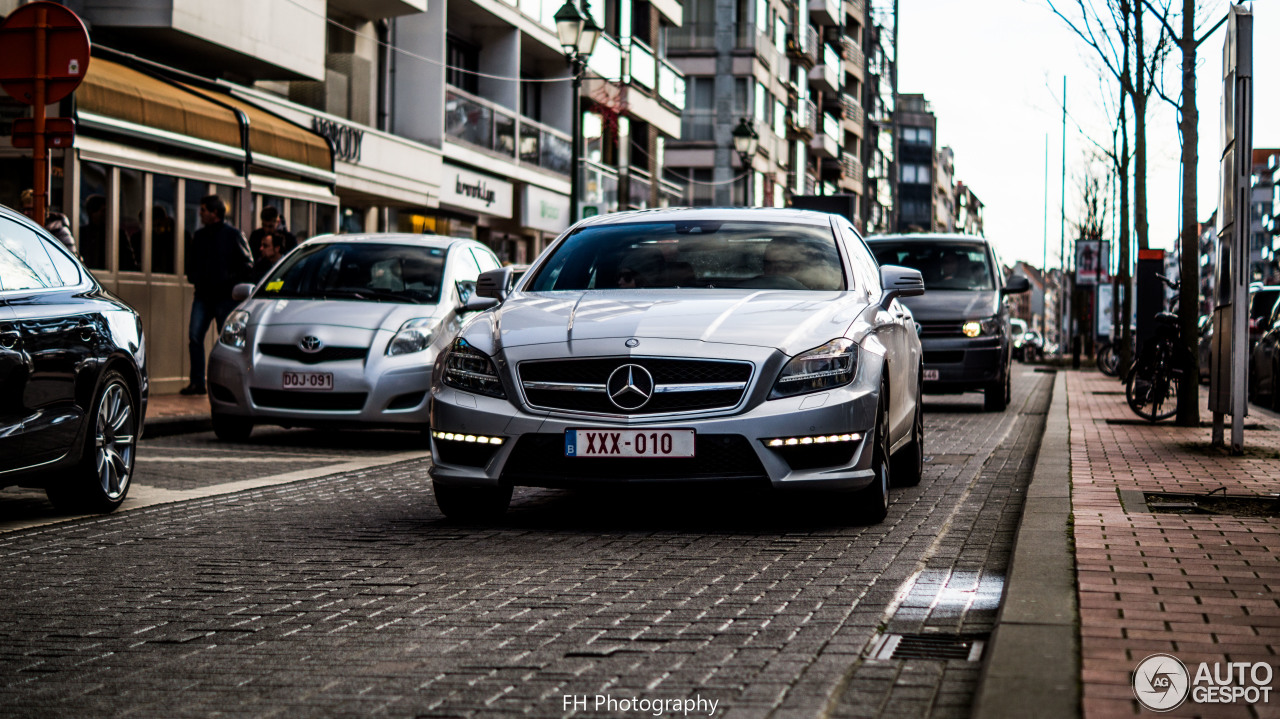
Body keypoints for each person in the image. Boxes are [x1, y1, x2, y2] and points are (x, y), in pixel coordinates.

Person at [182, 195, 252, 395]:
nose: (200, 213)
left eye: (204, 210)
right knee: (195, 337)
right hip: (203, 295)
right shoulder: (200, 236)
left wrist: (229, 282)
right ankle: (197, 382)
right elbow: (192, 262)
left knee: (227, 340)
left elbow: (248, 264)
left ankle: (226, 381)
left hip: (224, 297)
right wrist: (195, 276)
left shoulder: (232, 235)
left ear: (215, 213)